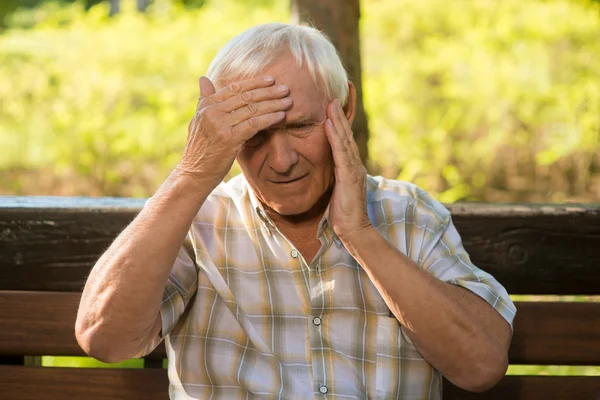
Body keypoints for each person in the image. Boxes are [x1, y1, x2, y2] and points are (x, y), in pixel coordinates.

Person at [75, 22, 516, 399]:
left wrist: (360, 233)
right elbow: (104, 339)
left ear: (345, 108)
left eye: (301, 126)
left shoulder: (408, 212)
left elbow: (481, 366)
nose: (282, 160)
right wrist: (191, 175)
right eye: (253, 135)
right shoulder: (197, 220)